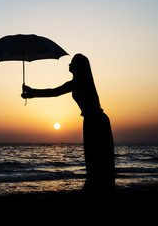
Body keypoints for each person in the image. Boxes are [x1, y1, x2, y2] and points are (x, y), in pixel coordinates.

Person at [21, 53, 115, 192]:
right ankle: (97, 186)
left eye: (72, 62)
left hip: (95, 121)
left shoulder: (80, 81)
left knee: (96, 156)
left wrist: (33, 93)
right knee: (94, 156)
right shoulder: (79, 81)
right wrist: (32, 91)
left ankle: (97, 187)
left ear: (79, 66)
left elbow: (55, 92)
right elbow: (55, 91)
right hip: (93, 119)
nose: (69, 65)